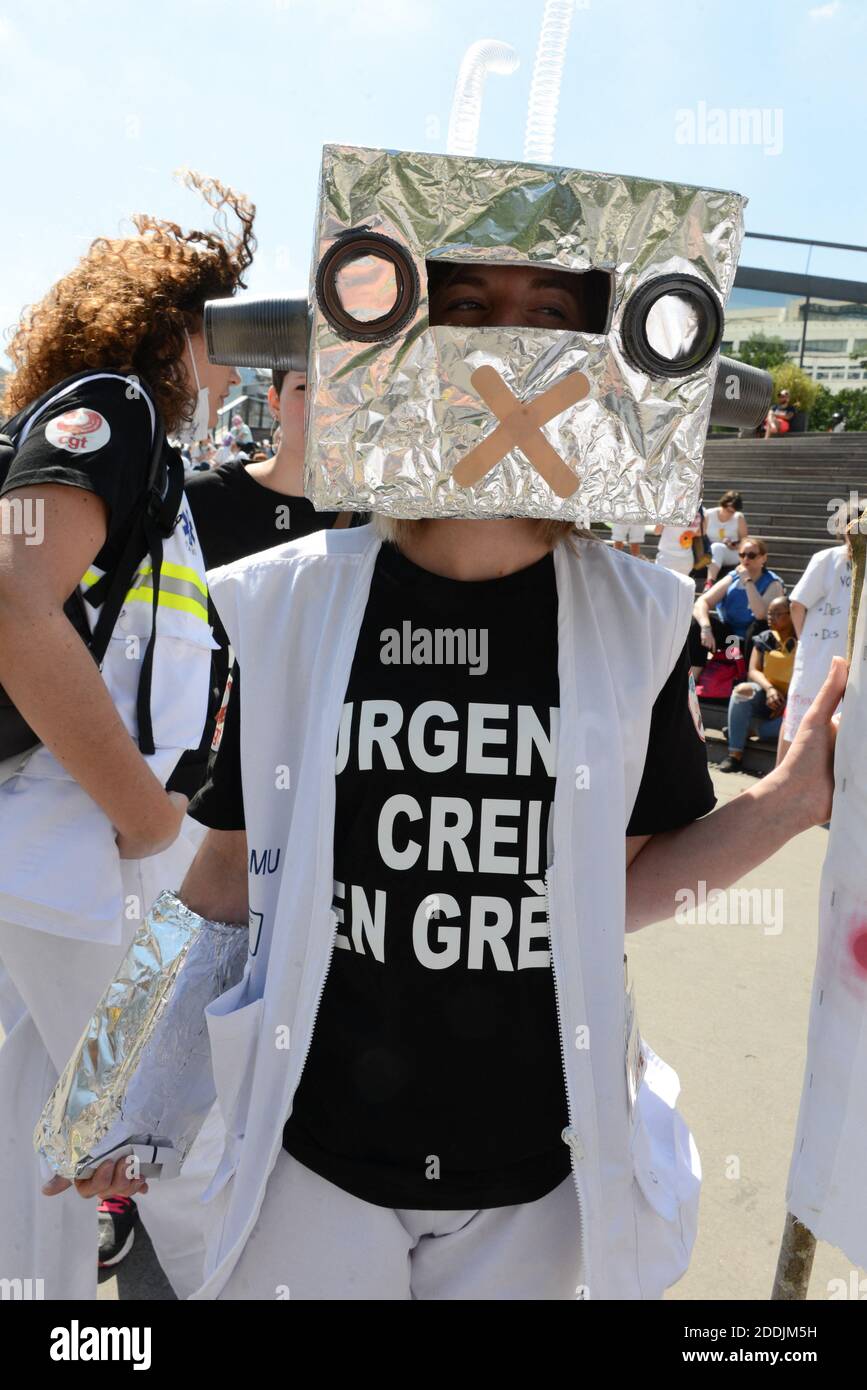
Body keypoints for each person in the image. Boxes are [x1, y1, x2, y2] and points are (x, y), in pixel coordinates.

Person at [57, 253, 845, 1303]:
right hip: (315, 1153)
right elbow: (223, 875)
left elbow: (614, 889)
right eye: (466, 306)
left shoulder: (635, 620)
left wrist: (789, 799)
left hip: (538, 1169)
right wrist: (108, 1080)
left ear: (602, 361)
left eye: (551, 314)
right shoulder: (294, 602)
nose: (502, 346)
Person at [0, 170, 255, 1298]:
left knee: (39, 1136)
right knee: (171, 1137)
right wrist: (154, 821)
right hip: (85, 848)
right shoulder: (115, 407)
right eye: (231, 328)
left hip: (63, 850)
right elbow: (14, 599)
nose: (242, 361)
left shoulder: (122, 437)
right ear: (178, 330)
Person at [169, 365, 355, 802]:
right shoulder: (202, 500)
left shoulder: (376, 518)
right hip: (205, 767)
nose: (319, 405)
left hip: (323, 765)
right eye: (305, 387)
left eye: (337, 389)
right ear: (273, 400)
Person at [777, 518, 854, 766]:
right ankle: (778, 779)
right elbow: (798, 604)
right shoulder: (828, 559)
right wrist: (805, 641)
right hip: (819, 657)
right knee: (798, 720)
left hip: (851, 661)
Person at [718, 595, 796, 772]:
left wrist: (787, 701)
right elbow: (753, 670)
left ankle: (752, 730)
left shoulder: (803, 640)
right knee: (742, 691)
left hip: (792, 701)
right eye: (769, 614)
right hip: (767, 695)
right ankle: (734, 755)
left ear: (792, 615)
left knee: (795, 724)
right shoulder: (765, 638)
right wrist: (769, 690)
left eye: (777, 614)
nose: (770, 618)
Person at [689, 538, 785, 681]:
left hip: (754, 644)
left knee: (758, 626)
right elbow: (701, 602)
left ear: (763, 558)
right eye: (742, 555)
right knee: (697, 621)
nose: (746, 559)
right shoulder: (733, 577)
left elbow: (760, 614)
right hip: (731, 642)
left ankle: (747, 676)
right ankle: (693, 676)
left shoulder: (773, 583)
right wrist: (706, 628)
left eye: (751, 555)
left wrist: (748, 581)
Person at [703, 490, 748, 582]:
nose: (729, 514)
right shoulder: (708, 514)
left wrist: (734, 545)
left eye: (733, 512)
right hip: (709, 551)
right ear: (722, 504)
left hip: (731, 552)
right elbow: (701, 536)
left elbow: (745, 542)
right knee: (715, 547)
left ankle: (710, 582)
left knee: (717, 547)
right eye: (728, 510)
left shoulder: (738, 517)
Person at [654, 508, 702, 576]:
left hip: (666, 557)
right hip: (687, 558)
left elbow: (657, 531)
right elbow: (700, 532)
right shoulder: (698, 514)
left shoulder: (668, 511)